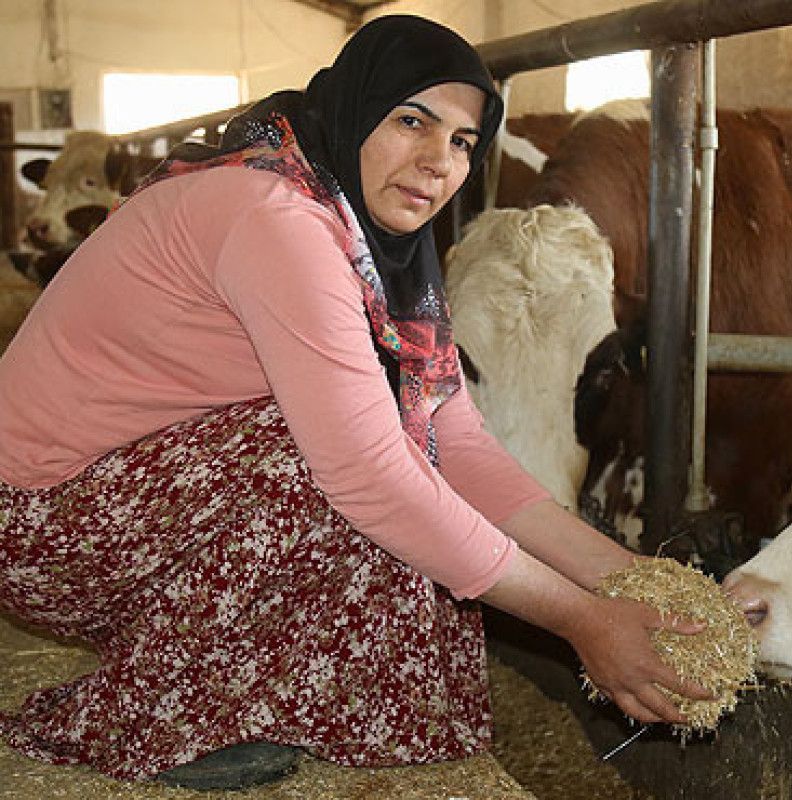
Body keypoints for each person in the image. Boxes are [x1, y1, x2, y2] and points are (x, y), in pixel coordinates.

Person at [0, 14, 708, 791]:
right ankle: (154, 715)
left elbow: (457, 441)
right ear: (355, 109)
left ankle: (240, 690)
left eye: (463, 142)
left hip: (131, 493)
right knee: (343, 460)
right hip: (40, 523)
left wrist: (626, 580)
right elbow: (371, 475)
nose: (438, 162)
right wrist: (581, 621)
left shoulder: (367, 237)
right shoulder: (275, 217)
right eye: (411, 122)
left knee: (389, 445)